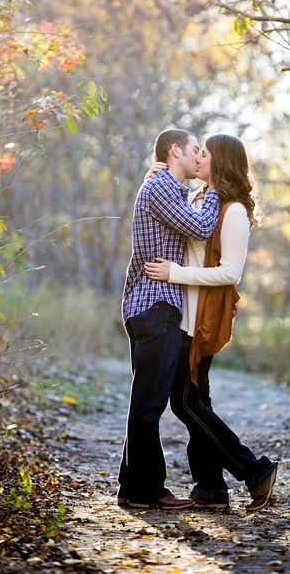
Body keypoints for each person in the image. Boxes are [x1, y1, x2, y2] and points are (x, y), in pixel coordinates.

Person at [143, 133, 278, 512]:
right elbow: (170, 216)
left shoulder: (233, 210)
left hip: (202, 318)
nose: (198, 157)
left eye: (205, 153)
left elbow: (230, 272)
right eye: (196, 151)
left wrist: (175, 274)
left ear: (220, 161)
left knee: (185, 402)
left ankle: (255, 471)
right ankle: (211, 488)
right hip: (184, 312)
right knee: (197, 399)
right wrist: (155, 178)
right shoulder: (199, 198)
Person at [118, 128, 220, 510]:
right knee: (150, 405)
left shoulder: (164, 187)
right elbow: (201, 227)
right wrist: (217, 190)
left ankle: (131, 488)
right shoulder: (161, 187)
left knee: (145, 401)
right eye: (196, 150)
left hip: (153, 307)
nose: (199, 157)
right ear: (175, 150)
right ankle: (150, 490)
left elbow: (184, 215)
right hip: (156, 306)